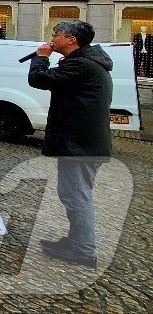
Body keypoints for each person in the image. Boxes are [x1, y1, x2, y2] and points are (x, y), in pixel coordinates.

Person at [28, 20, 113, 268]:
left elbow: (39, 79)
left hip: (80, 144)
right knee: (71, 194)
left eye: (56, 35)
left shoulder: (82, 65)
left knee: (76, 196)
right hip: (80, 142)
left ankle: (84, 250)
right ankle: (76, 241)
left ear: (71, 40)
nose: (52, 39)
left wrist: (41, 57)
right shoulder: (85, 63)